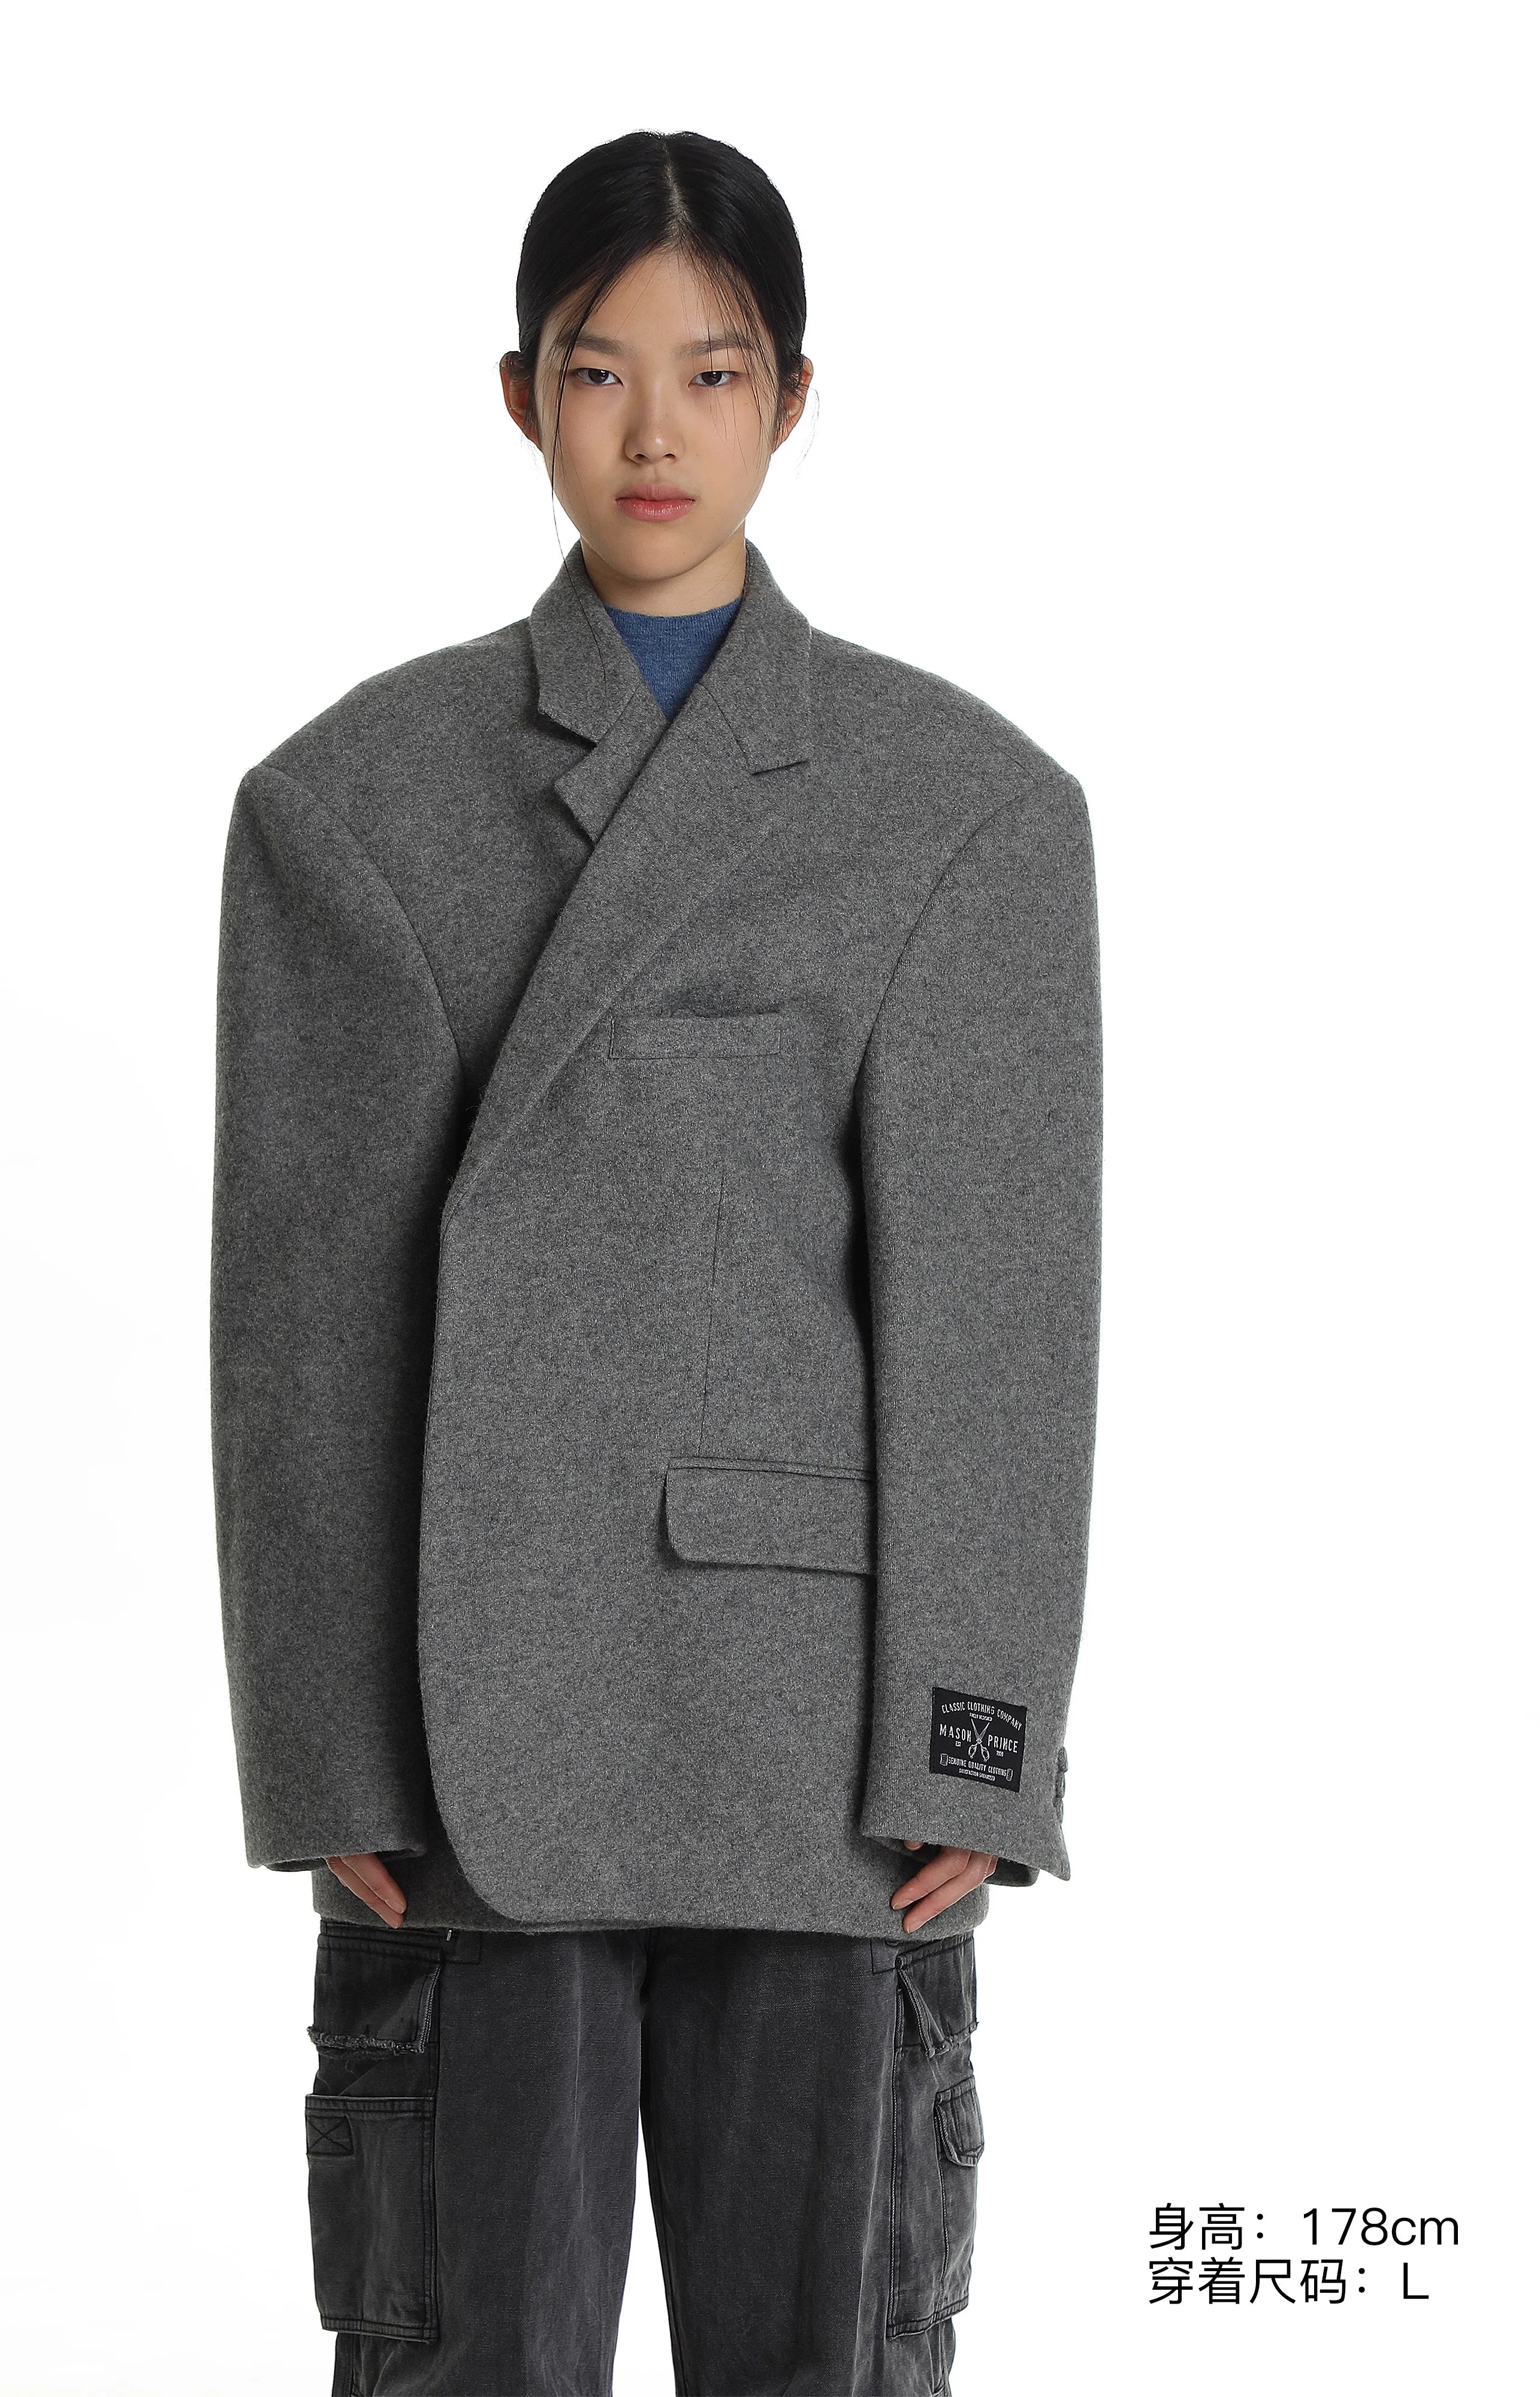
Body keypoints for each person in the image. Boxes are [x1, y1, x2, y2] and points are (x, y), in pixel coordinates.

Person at [211, 127, 1103, 2397]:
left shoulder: (964, 808)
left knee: (825, 2362)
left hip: (818, 1758)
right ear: (520, 394)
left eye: (712, 375)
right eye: (600, 371)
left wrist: (975, 1750)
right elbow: (303, 1325)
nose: (653, 434)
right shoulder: (352, 801)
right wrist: (324, 1754)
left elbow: (999, 1320)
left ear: (793, 399)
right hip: (460, 1733)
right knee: (469, 2365)